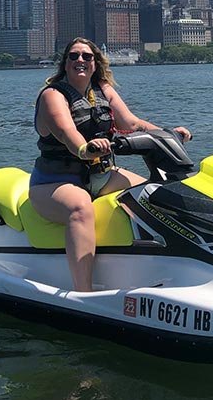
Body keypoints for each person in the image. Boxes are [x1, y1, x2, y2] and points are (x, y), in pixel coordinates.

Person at [29, 37, 191, 292]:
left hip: (99, 176)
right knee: (79, 208)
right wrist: (85, 148)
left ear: (95, 63)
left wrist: (167, 134)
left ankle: (166, 266)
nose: (80, 60)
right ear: (65, 63)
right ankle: (83, 293)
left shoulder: (102, 90)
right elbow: (66, 133)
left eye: (86, 56)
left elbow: (132, 124)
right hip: (54, 181)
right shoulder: (53, 95)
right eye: (73, 56)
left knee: (153, 194)